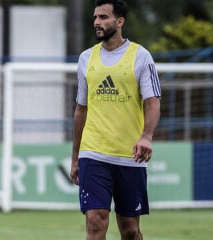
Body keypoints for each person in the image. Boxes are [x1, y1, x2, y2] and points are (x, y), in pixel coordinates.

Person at [70, 0, 161, 239]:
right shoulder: (85, 59)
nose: (97, 23)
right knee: (95, 222)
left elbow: (152, 103)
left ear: (119, 22)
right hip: (93, 153)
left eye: (103, 17)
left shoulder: (141, 57)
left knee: (130, 230)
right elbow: (81, 110)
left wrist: (146, 137)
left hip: (130, 156)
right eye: (95, 17)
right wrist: (75, 157)